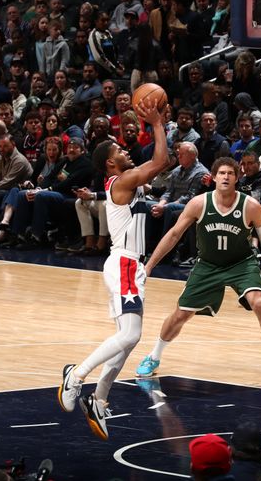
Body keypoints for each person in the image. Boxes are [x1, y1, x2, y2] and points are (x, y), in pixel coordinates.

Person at [56, 97, 168, 441]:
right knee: (130, 335)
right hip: (123, 262)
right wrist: (158, 123)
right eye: (120, 150)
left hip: (131, 267)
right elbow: (161, 161)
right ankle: (76, 375)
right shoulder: (120, 182)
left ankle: (100, 399)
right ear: (109, 163)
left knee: (128, 342)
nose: (126, 151)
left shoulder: (125, 182)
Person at [135, 157, 261, 386]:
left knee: (259, 303)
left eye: (230, 173)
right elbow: (173, 234)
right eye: (222, 173)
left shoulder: (250, 205)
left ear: (237, 178)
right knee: (181, 314)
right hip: (208, 264)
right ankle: (153, 356)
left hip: (241, 263)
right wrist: (149, 266)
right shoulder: (199, 203)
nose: (226, 177)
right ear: (214, 177)